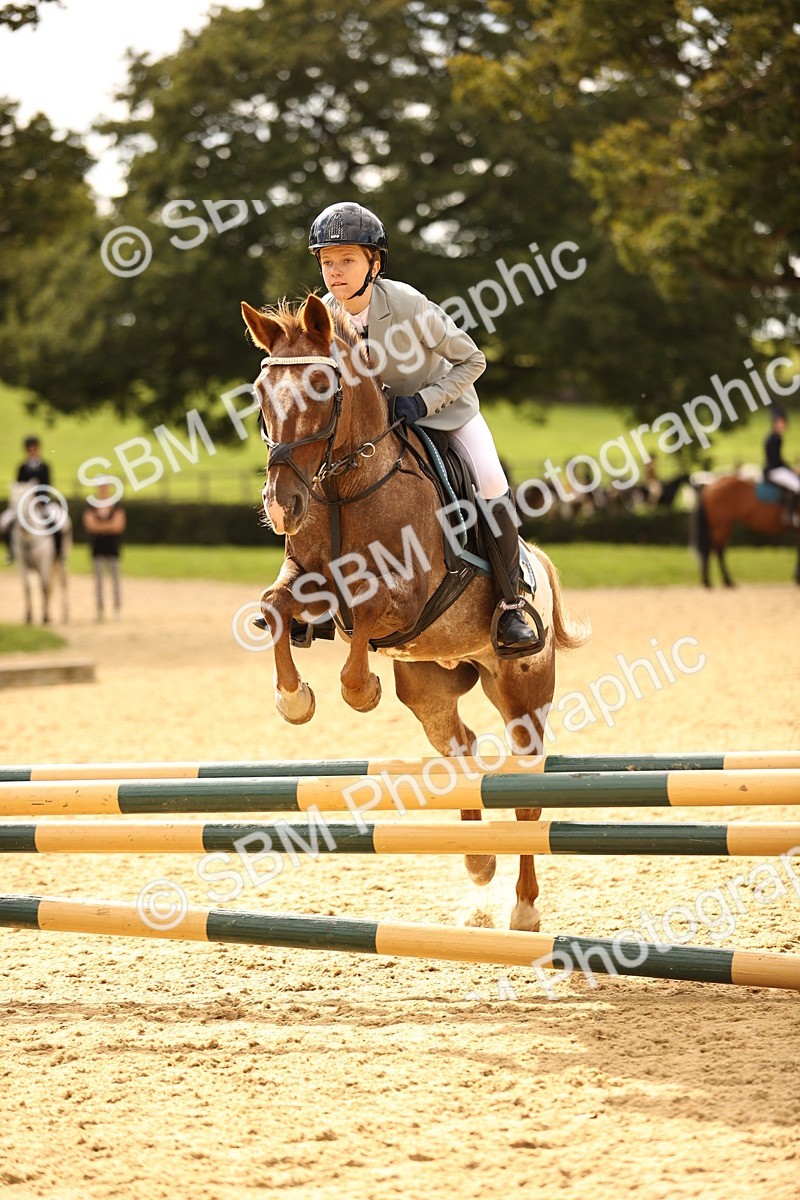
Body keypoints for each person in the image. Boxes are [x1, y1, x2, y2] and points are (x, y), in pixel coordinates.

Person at [307, 200, 539, 655]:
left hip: (446, 411)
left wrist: (424, 401)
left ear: (375, 264)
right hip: (380, 428)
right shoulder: (323, 318)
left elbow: (473, 360)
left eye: (347, 260)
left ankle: (512, 604)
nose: (335, 272)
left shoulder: (408, 304)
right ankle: (314, 601)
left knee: (491, 479)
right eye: (327, 262)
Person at [2, 435, 54, 563]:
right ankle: (11, 551)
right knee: (5, 522)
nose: (32, 451)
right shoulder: (22, 467)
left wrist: (39, 501)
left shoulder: (45, 467)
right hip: (23, 504)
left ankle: (57, 553)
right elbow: (18, 487)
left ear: (38, 449)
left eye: (34, 448)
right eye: (29, 448)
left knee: (55, 522)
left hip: (41, 503)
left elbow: (47, 486)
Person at [82, 484, 126, 620]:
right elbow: (90, 525)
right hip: (98, 550)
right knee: (99, 582)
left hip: (112, 550)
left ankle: (117, 608)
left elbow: (118, 526)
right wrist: (109, 526)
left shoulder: (116, 506)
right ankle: (100, 609)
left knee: (115, 580)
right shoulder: (92, 505)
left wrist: (99, 527)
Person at [763, 407, 799, 525]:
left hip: (777, 468)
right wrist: (792, 470)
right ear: (774, 423)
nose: (781, 424)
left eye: (782, 422)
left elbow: (779, 459)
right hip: (774, 471)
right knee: (797, 486)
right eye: (778, 422)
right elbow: (775, 460)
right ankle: (789, 515)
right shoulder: (772, 439)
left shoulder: (778, 438)